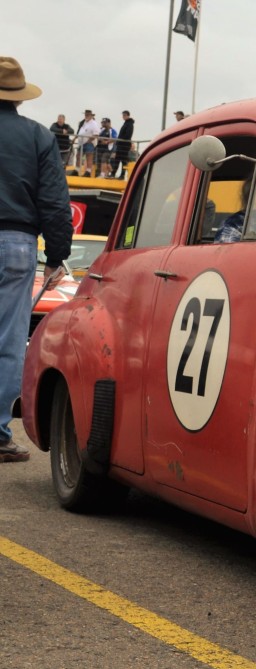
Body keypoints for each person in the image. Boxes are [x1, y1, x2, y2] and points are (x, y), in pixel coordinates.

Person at [0, 56, 72, 462]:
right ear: (18, 98)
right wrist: (57, 253)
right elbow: (54, 202)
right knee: (8, 342)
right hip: (15, 241)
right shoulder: (38, 137)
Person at [75, 109, 100, 176]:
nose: (86, 116)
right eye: (86, 114)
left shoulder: (94, 123)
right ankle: (77, 170)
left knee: (89, 156)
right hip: (82, 143)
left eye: (88, 115)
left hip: (89, 142)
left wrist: (89, 140)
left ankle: (88, 171)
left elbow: (96, 134)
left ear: (91, 116)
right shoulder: (84, 122)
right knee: (78, 156)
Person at [111, 110, 134, 179]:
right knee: (117, 160)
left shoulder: (129, 124)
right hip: (121, 145)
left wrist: (120, 140)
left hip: (124, 146)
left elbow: (128, 135)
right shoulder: (126, 123)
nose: (123, 116)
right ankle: (113, 173)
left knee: (123, 161)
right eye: (123, 115)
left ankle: (122, 175)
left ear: (127, 115)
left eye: (124, 115)